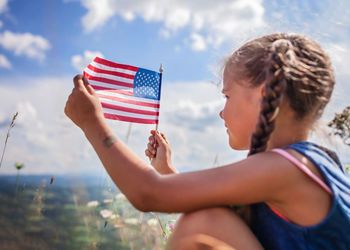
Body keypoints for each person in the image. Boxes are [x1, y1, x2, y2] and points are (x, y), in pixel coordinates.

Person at [65, 33, 350, 249]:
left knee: (203, 223)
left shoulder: (285, 168)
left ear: (263, 96)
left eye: (227, 96)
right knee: (209, 219)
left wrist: (92, 122)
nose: (221, 111)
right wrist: (167, 170)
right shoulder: (310, 163)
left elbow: (147, 193)